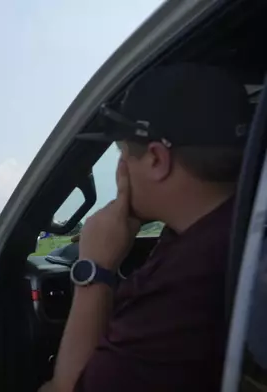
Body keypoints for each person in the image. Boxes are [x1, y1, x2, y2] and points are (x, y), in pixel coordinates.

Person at [40, 63, 252, 391]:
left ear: (156, 160)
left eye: (123, 154)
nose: (121, 170)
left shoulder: (189, 282)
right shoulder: (234, 228)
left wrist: (94, 270)